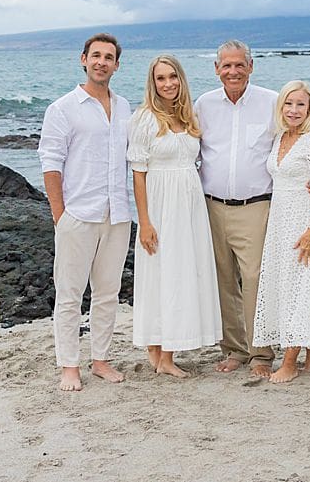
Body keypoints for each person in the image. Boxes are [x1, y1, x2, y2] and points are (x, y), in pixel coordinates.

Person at [37, 33, 132, 392]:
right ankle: (69, 366)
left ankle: (101, 359)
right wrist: (60, 214)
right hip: (78, 214)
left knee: (108, 292)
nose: (101, 62)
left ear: (117, 65)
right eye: (96, 56)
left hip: (117, 214)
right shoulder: (63, 108)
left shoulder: (124, 108)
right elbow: (51, 163)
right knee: (70, 293)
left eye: (108, 57)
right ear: (83, 59)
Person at [128, 54, 222, 377]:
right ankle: (163, 356)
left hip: (189, 208)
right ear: (152, 83)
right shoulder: (144, 119)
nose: (167, 83)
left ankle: (161, 354)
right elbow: (138, 174)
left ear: (181, 79)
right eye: (160, 78)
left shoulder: (189, 117)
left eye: (172, 77)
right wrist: (145, 222)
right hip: (160, 206)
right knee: (159, 275)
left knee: (180, 274)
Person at [195, 40, 278, 377]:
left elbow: (300, 129)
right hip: (211, 206)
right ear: (216, 69)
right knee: (223, 279)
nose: (233, 72)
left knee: (257, 278)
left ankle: (262, 354)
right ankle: (234, 350)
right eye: (226, 66)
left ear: (251, 66)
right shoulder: (203, 105)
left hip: (256, 206)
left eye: (239, 65)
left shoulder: (272, 103)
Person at [251, 80, 310, 383]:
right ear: (280, 106)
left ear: (309, 108)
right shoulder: (281, 137)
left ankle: (289, 362)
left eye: (301, 104)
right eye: (289, 103)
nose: (294, 110)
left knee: (300, 286)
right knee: (282, 284)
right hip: (278, 220)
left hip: (302, 220)